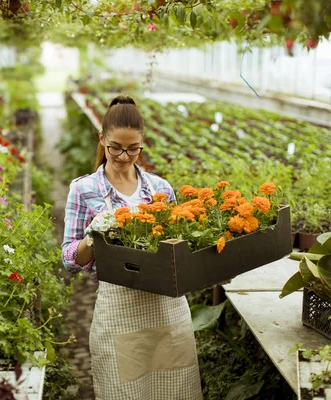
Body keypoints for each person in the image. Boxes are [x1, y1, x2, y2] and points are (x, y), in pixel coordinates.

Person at [62, 95, 203, 400]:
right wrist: (93, 237)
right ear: (102, 139)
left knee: (175, 391)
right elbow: (69, 258)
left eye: (132, 148)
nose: (124, 156)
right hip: (118, 314)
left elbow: (179, 250)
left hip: (168, 312)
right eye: (115, 147)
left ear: (142, 143)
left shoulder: (161, 189)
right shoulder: (84, 189)